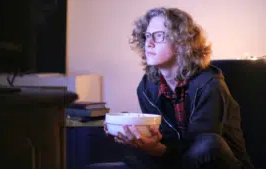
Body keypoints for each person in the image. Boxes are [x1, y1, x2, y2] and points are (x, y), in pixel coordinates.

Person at [86, 7, 255, 169]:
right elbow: (163, 141)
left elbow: (198, 152)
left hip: (217, 163)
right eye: (147, 36)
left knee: (208, 144)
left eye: (158, 36)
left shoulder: (210, 84)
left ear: (182, 43)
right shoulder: (146, 87)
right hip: (173, 161)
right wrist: (137, 137)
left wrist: (157, 149)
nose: (149, 43)